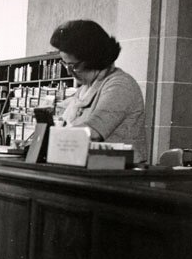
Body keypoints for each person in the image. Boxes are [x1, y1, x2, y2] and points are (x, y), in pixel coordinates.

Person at [50, 20, 147, 162]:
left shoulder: (120, 85)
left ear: (93, 58)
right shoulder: (86, 88)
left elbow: (92, 131)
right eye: (65, 64)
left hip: (116, 177)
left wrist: (51, 138)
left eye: (74, 66)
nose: (70, 72)